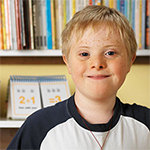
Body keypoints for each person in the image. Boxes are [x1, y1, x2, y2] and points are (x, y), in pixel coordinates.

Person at [7, 5, 149, 150]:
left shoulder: (146, 124)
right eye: (84, 54)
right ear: (68, 62)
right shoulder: (39, 126)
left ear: (130, 61)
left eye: (110, 53)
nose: (97, 64)